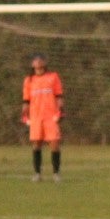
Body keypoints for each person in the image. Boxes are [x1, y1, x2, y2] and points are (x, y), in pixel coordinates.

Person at [21, 53, 63, 182]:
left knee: (54, 144)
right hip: (36, 116)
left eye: (40, 60)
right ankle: (37, 173)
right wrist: (24, 114)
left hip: (51, 116)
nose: (38, 62)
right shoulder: (29, 80)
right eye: (35, 60)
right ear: (32, 64)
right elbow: (26, 100)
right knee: (36, 144)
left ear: (45, 63)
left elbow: (59, 96)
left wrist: (61, 111)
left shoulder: (53, 77)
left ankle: (56, 173)